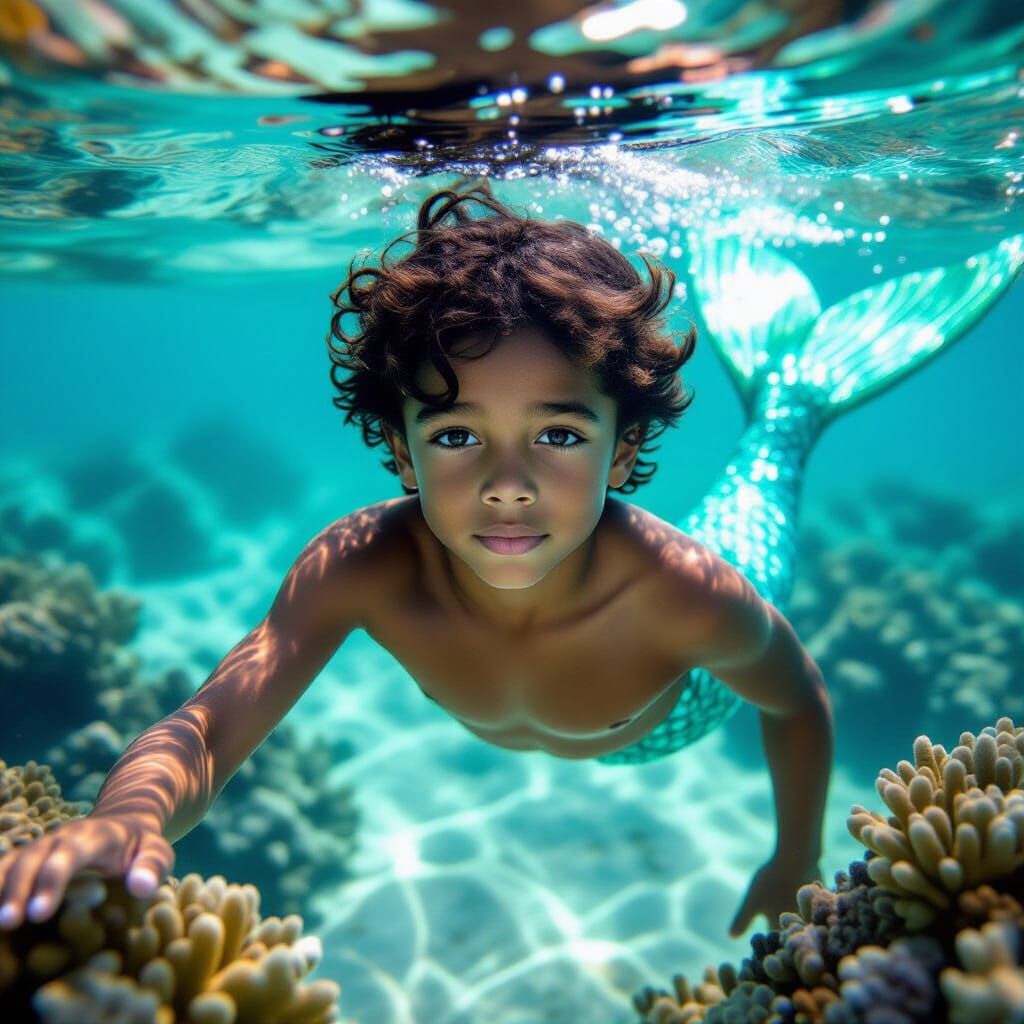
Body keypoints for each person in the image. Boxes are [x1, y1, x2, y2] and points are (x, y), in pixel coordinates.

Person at [3, 181, 1018, 944]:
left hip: (678, 708)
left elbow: (795, 699)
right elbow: (211, 721)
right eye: (454, 436)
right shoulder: (363, 566)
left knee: (760, 486)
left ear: (624, 450)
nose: (507, 483)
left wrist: (790, 853)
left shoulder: (678, 591)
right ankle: (786, 390)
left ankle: (792, 402)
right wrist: (128, 816)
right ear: (397, 448)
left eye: (559, 436)